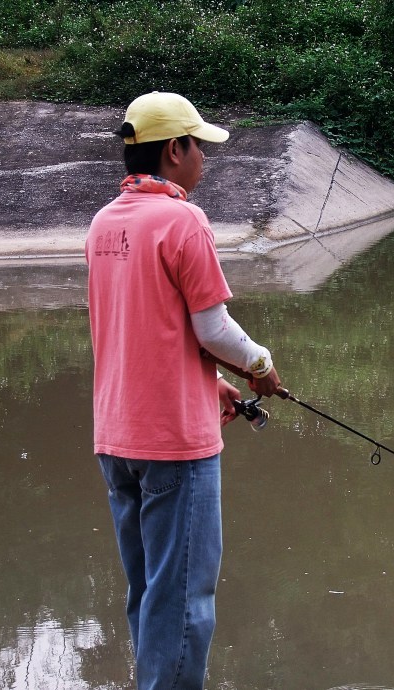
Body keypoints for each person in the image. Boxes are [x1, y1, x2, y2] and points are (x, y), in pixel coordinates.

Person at [85, 91, 283, 689]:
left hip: (116, 441)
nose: (204, 158)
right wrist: (259, 366)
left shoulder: (103, 223)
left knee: (148, 594)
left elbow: (147, 331)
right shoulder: (182, 219)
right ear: (175, 150)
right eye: (199, 146)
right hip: (174, 445)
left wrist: (213, 383)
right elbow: (212, 327)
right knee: (185, 603)